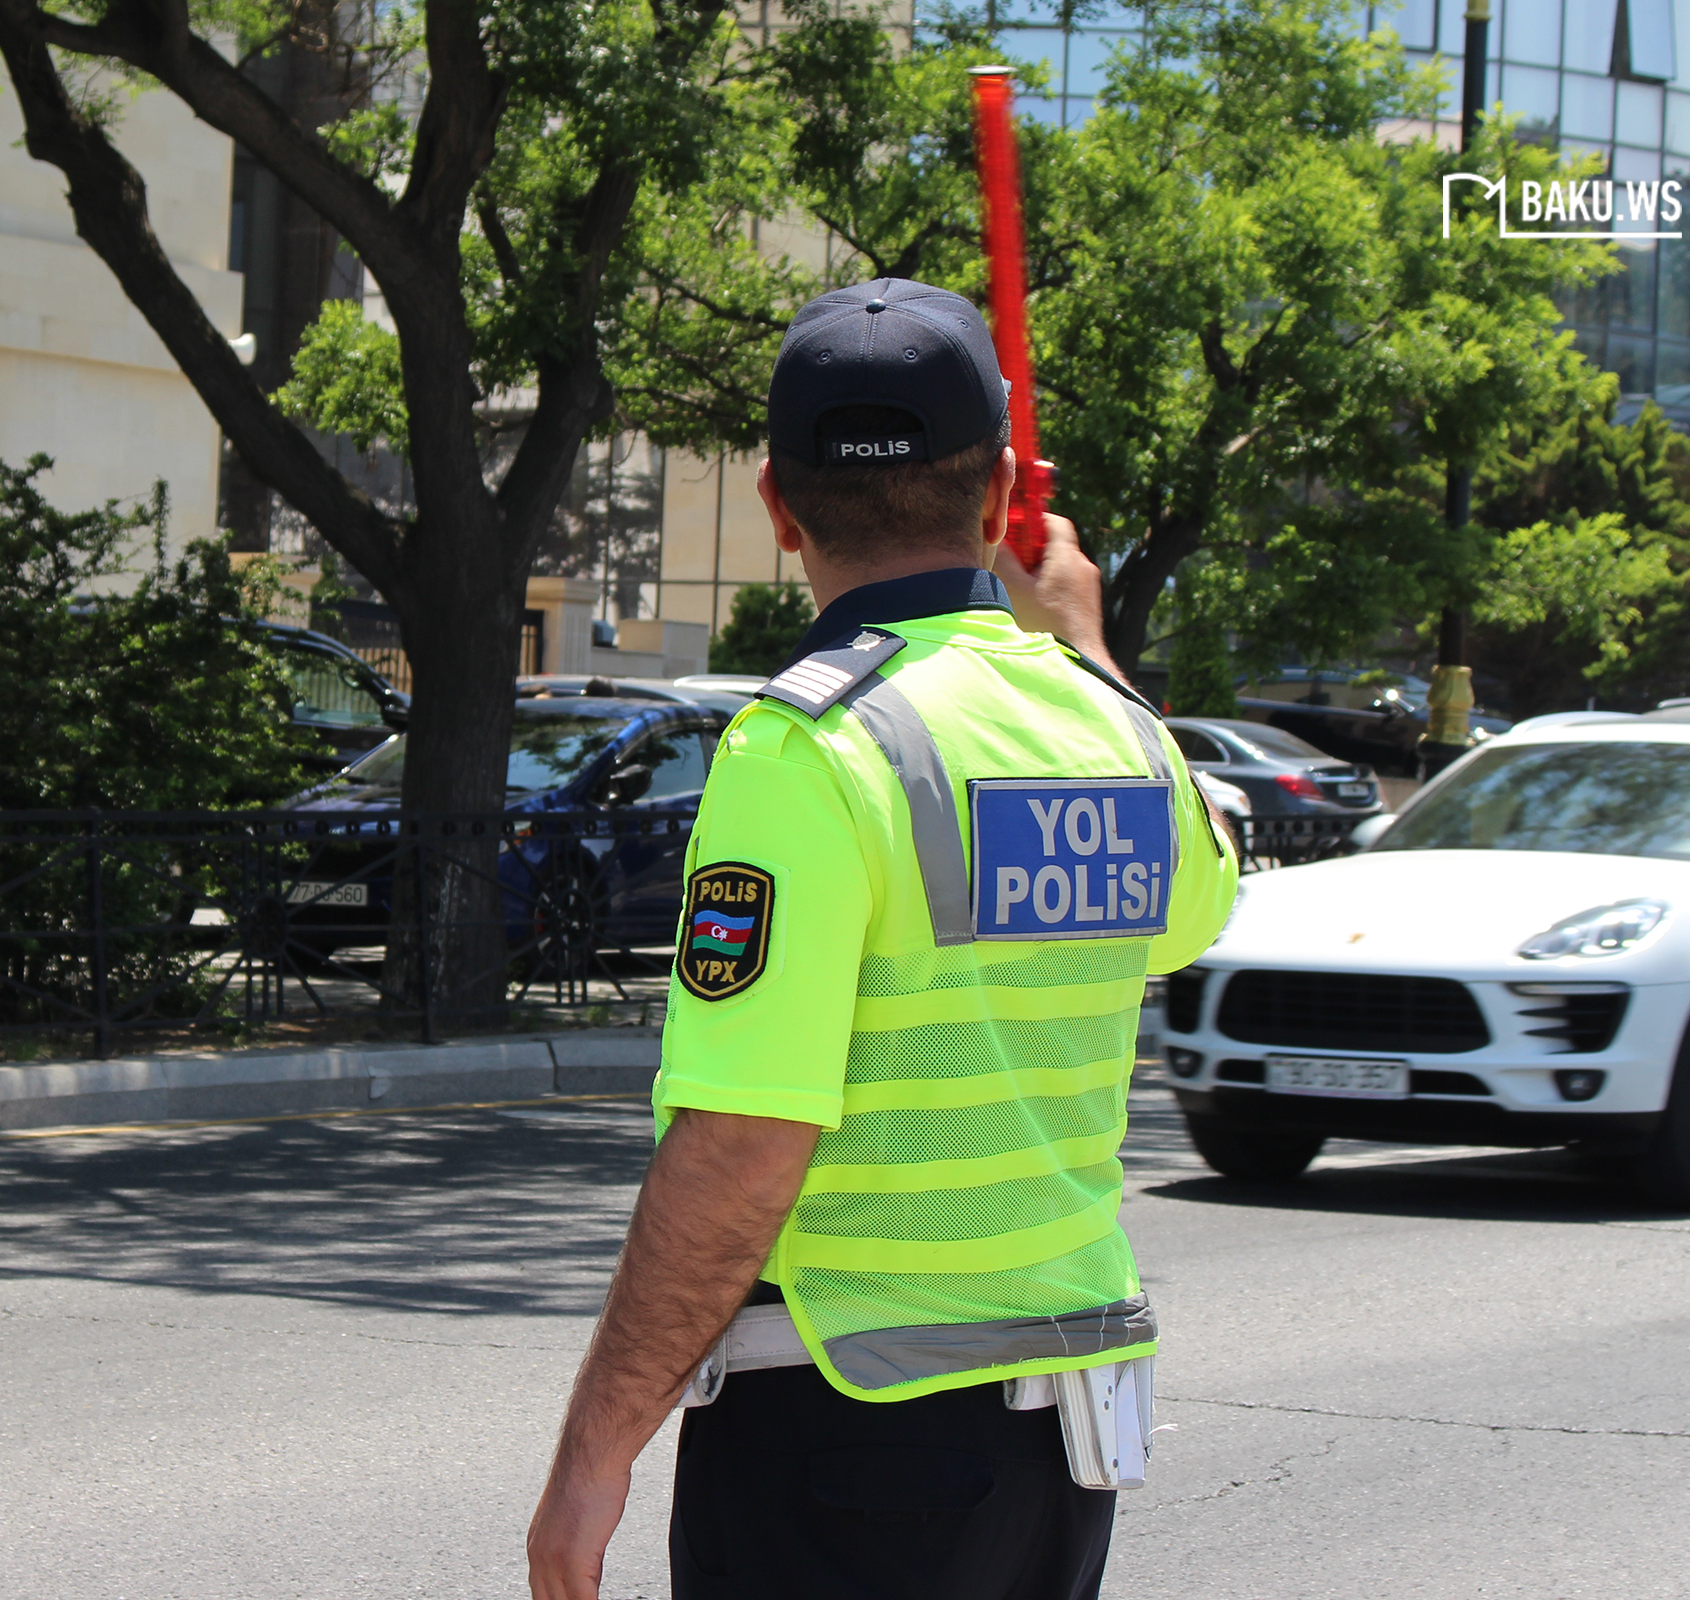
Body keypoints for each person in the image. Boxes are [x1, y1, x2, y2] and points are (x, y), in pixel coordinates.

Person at [527, 278, 1239, 1600]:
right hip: (1060, 1434)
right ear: (1004, 492)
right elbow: (1196, 913)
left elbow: (744, 1143)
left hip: (847, 1432)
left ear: (776, 502)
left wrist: (595, 1452)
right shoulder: (1108, 727)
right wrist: (1083, 638)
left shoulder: (810, 747)